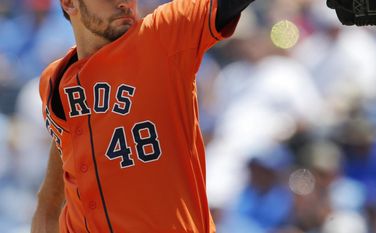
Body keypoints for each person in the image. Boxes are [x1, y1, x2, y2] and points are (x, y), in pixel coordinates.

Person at [30, 0, 255, 232]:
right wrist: (47, 204)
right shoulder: (54, 80)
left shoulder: (161, 35)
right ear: (69, 4)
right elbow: (68, 143)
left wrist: (48, 203)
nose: (125, 3)